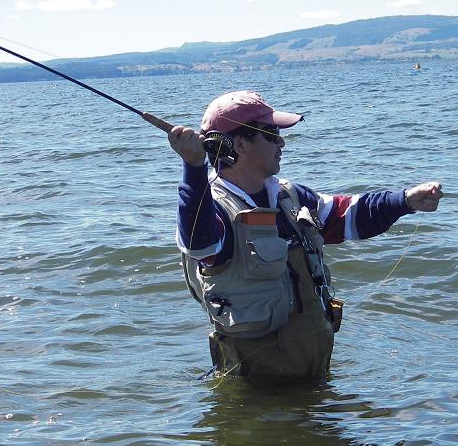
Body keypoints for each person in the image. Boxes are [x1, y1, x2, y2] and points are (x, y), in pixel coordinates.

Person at [168, 90, 443, 382]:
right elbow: (201, 243)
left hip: (311, 379)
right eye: (272, 134)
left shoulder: (289, 195)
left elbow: (347, 215)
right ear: (240, 144)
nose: (281, 142)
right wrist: (193, 168)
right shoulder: (216, 210)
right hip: (256, 394)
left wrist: (404, 200)